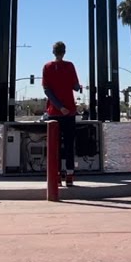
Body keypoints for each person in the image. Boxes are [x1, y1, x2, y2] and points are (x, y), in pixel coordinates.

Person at [41, 41, 82, 186]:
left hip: (53, 113)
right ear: (64, 52)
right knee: (70, 145)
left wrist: (58, 106)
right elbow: (75, 87)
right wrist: (79, 87)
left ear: (53, 52)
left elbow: (47, 90)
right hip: (69, 112)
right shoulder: (70, 66)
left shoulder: (47, 67)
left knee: (55, 146)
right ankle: (70, 174)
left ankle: (56, 175)